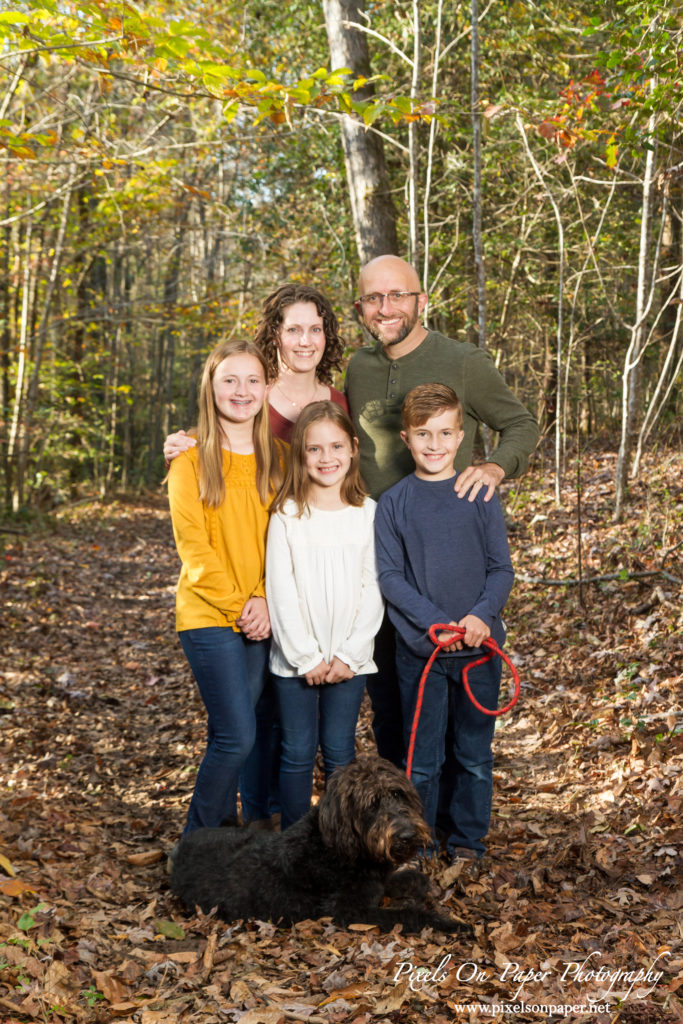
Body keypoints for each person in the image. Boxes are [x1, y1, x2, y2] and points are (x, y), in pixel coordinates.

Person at [346, 254, 538, 766]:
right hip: (373, 552)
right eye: (373, 298)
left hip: (445, 556)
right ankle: (403, 823)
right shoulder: (358, 367)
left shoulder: (463, 361)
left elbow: (521, 424)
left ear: (421, 300)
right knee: (388, 699)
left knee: (454, 704)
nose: (385, 308)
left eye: (398, 295)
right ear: (360, 307)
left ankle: (458, 828)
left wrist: (495, 469)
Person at [374, 384, 514, 861]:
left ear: (461, 436)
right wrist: (436, 623)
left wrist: (479, 615)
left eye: (445, 433)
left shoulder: (479, 494)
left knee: (473, 756)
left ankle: (467, 841)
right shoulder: (393, 503)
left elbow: (501, 568)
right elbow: (390, 577)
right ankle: (420, 844)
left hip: (480, 653)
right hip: (423, 654)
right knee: (422, 760)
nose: (434, 444)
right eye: (423, 434)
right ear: (405, 438)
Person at [167, 339, 285, 835]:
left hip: (262, 611)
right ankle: (197, 846)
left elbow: (289, 536)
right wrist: (243, 604)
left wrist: (263, 596)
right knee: (237, 736)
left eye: (252, 380)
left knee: (239, 732)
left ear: (266, 388)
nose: (242, 390)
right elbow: (194, 551)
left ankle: (226, 835)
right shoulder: (190, 459)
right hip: (208, 616)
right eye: (229, 380)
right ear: (211, 387)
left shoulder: (280, 458)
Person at [266, 401, 384, 829]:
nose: (326, 457)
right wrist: (306, 657)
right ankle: (295, 842)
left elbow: (374, 589)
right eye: (314, 449)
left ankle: (340, 839)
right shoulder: (287, 516)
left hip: (349, 663)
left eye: (336, 446)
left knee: (339, 751)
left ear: (353, 449)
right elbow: (282, 592)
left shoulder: (369, 514)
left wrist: (349, 655)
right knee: (296, 751)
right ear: (299, 454)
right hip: (296, 661)